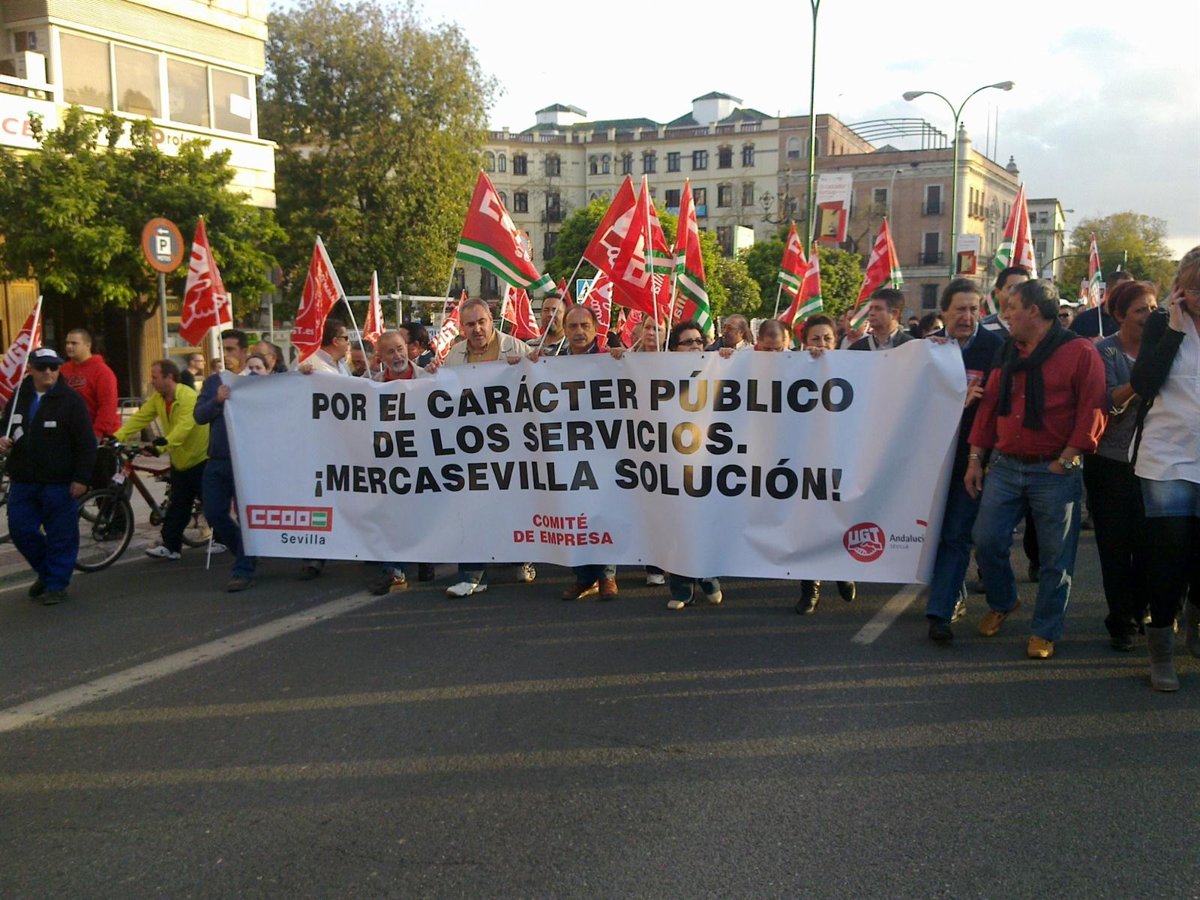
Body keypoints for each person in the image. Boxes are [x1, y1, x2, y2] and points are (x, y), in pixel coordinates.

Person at [965, 280, 1106, 660]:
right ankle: (1003, 601)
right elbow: (989, 409)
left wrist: (1066, 459)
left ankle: (1045, 630)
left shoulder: (1080, 352)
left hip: (1054, 470)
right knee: (986, 540)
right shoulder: (1007, 351)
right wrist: (976, 459)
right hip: (1005, 466)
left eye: (1011, 307)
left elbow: (1092, 409)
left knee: (1055, 558)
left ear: (1033, 311)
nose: (1005, 315)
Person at [1129, 247, 1200, 691]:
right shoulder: (1162, 324)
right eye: (1194, 289)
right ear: (1179, 290)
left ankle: (1196, 616)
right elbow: (1143, 383)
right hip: (1168, 456)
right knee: (1169, 552)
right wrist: (1173, 330)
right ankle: (1162, 649)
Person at [923, 279, 1004, 642]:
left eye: (974, 309)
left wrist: (981, 459)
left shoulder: (996, 349)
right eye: (960, 309)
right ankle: (953, 593)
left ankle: (939, 613)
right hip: (931, 460)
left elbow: (998, 409)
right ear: (943, 312)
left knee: (957, 533)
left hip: (972, 459)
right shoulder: (927, 349)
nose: (968, 317)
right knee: (934, 534)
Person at [441, 298, 534, 596]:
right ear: (462, 327)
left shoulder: (516, 348)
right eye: (470, 324)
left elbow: (539, 383)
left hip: (513, 444)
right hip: (472, 446)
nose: (477, 329)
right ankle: (471, 575)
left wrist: (524, 367)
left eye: (481, 322)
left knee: (513, 505)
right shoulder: (455, 355)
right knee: (471, 507)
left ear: (491, 320)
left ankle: (521, 558)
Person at [1084, 280, 1157, 651]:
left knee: (1148, 544)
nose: (1149, 315)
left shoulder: (1164, 347)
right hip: (1109, 464)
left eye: (1153, 308)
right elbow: (1107, 402)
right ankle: (1120, 621)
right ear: (1119, 315)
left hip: (1154, 462)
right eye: (1140, 310)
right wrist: (1139, 383)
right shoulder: (1104, 352)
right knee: (1114, 546)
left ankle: (1141, 609)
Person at [0, 348, 96, 605]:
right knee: (20, 530)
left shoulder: (71, 401)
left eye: (54, 367)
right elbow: (5, 424)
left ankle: (56, 583)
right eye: (42, 367)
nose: (49, 372)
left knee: (61, 535)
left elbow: (86, 443)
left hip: (59, 482)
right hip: (24, 479)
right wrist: (2, 438)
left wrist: (81, 478)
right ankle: (47, 571)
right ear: (30, 369)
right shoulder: (19, 396)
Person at [553, 305, 620, 601]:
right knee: (574, 512)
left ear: (595, 328)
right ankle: (583, 577)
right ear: (564, 330)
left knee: (602, 511)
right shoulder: (551, 362)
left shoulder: (611, 359)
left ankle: (607, 576)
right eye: (572, 326)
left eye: (584, 326)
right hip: (567, 449)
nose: (579, 332)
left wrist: (623, 361)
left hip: (604, 449)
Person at [114, 360, 210, 561]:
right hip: (180, 459)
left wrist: (160, 447)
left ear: (169, 377)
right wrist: (117, 437)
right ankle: (171, 547)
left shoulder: (188, 397)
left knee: (211, 504)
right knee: (178, 505)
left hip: (200, 457)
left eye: (155, 377)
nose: (152, 381)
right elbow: (140, 418)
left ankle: (224, 539)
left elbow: (184, 428)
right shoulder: (158, 398)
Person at [794, 314, 856, 613]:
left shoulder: (854, 367)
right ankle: (811, 588)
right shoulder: (790, 368)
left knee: (841, 516)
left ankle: (844, 570)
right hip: (803, 461)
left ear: (837, 340)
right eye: (815, 338)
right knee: (808, 523)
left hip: (842, 457)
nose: (821, 344)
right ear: (804, 342)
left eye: (827, 338)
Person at [664, 320, 724, 610]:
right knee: (677, 525)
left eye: (699, 341)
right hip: (671, 461)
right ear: (674, 348)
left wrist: (729, 359)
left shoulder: (716, 368)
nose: (695, 346)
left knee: (703, 522)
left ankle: (708, 577)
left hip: (707, 460)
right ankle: (681, 589)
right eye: (688, 342)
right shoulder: (658, 373)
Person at [194, 329, 256, 592]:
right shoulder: (213, 383)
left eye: (231, 350)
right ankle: (245, 551)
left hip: (247, 460)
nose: (226, 355)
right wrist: (217, 400)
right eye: (223, 350)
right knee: (214, 512)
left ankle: (243, 568)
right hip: (218, 458)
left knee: (246, 516)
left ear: (243, 352)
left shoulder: (256, 381)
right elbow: (199, 415)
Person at [60, 328, 120, 439]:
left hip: (100, 435)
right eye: (67, 343)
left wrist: (97, 433)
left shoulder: (102, 372)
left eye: (74, 343)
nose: (69, 346)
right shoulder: (63, 370)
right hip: (71, 433)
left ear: (88, 345)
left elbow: (108, 406)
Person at [1072, 269, 1132, 339]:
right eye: (1122, 290)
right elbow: (1070, 343)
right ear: (1108, 290)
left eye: (1131, 290)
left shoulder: (1134, 319)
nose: (1127, 294)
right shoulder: (1085, 319)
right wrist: (1089, 341)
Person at [848, 288, 914, 351]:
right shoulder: (857, 348)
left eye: (878, 309)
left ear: (894, 313)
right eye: (870, 309)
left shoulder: (912, 347)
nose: (871, 313)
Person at [981, 266, 1030, 336]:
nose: (1019, 293)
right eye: (1012, 288)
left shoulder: (1035, 327)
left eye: (1024, 289)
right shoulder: (983, 328)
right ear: (997, 292)